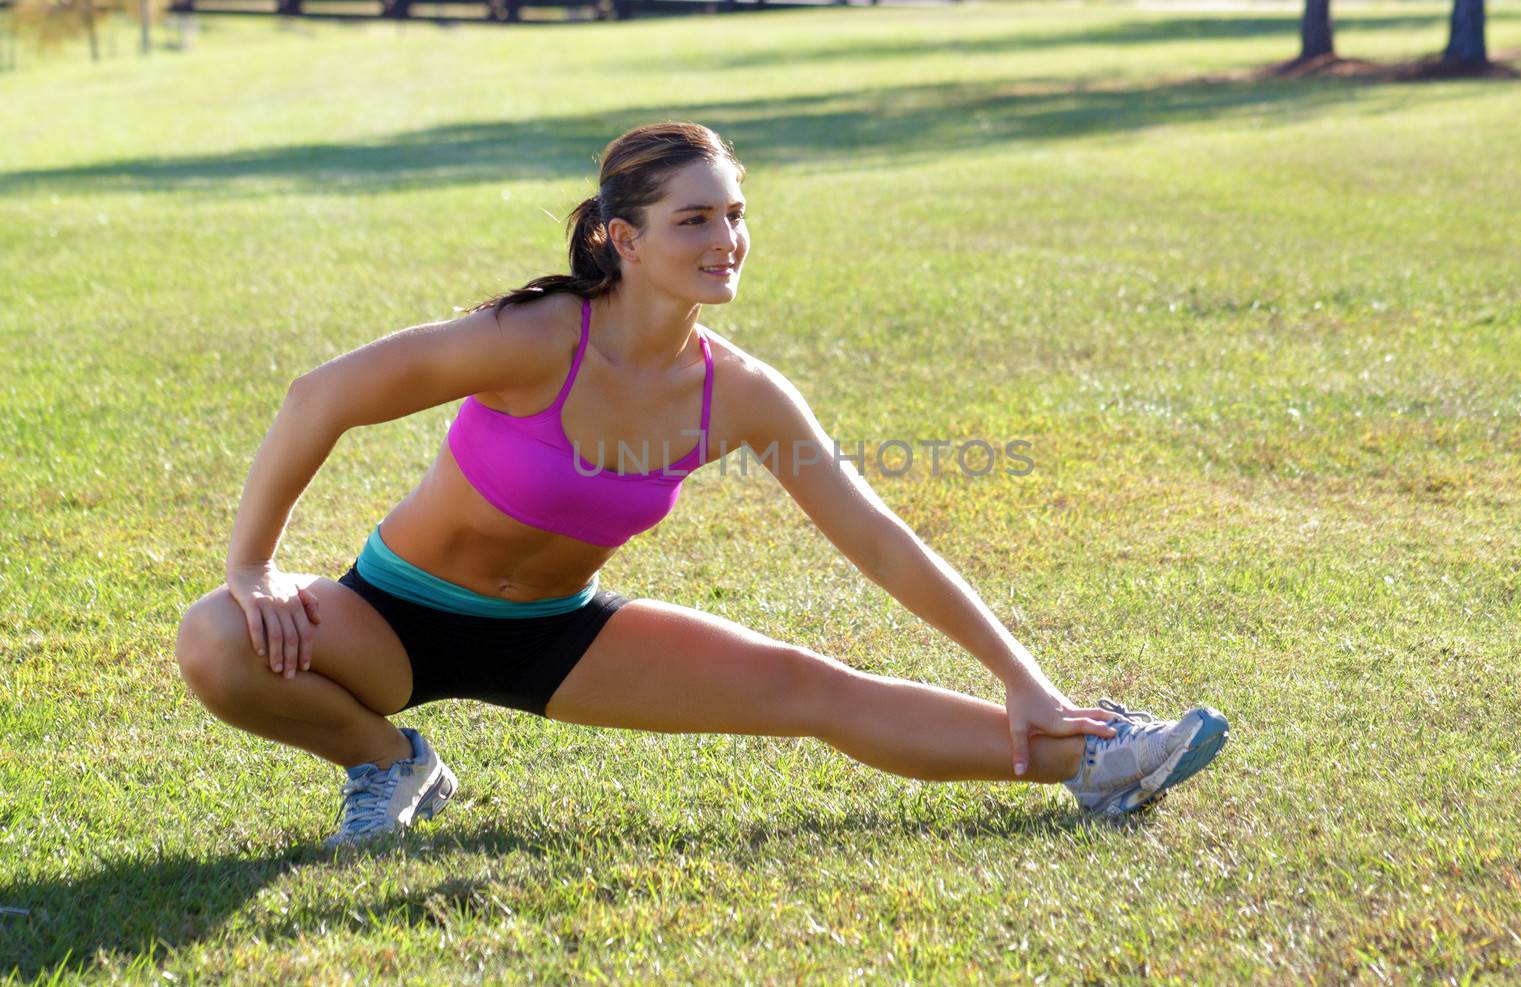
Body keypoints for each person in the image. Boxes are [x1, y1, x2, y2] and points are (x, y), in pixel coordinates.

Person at [175, 122, 1229, 848]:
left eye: (734, 215)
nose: (726, 240)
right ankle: (392, 761)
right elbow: (320, 396)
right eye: (694, 220)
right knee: (217, 636)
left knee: (810, 688)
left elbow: (876, 537)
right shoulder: (532, 338)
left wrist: (1022, 672)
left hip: (559, 630)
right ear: (621, 239)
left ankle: (1096, 757)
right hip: (392, 614)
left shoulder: (743, 394)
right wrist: (255, 563)